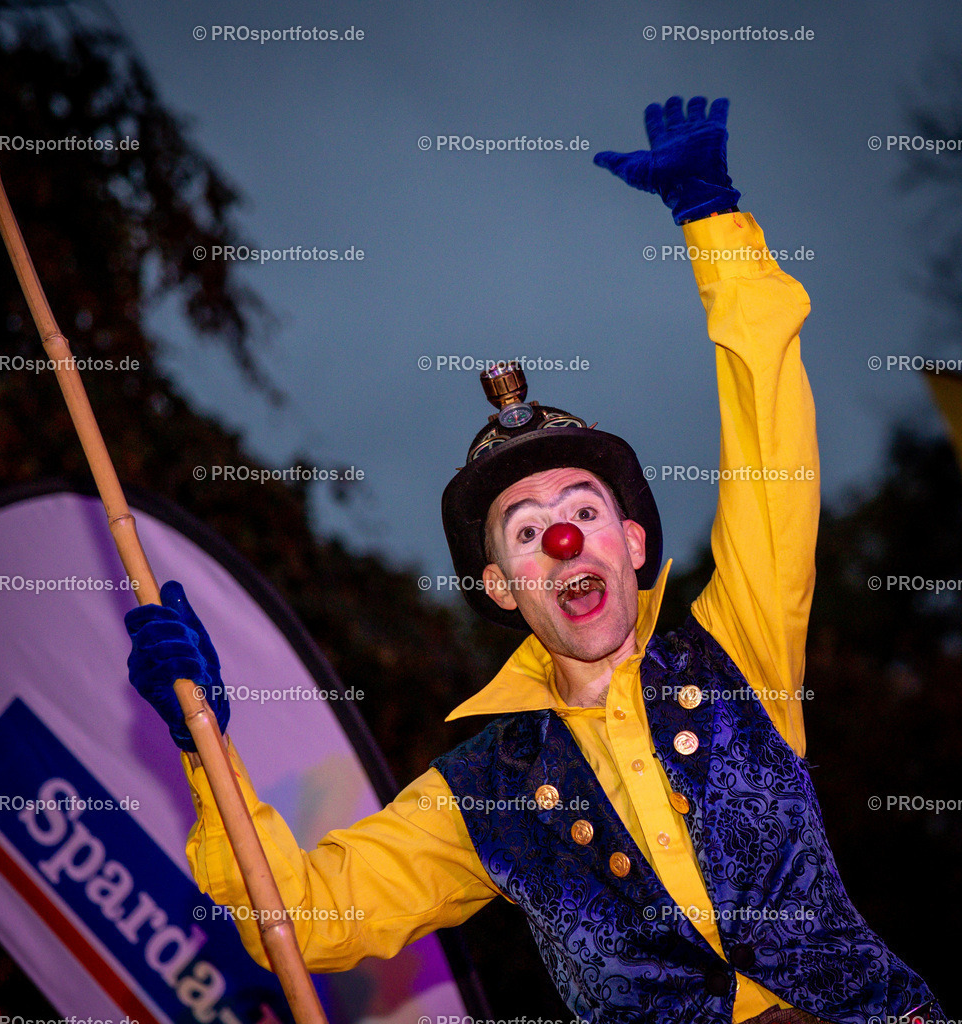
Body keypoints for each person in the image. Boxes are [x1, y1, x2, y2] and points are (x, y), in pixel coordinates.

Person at [125, 97, 942, 1023]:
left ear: (633, 546)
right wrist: (206, 748)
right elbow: (307, 919)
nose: (562, 539)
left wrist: (713, 222)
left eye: (584, 510)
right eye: (525, 530)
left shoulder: (740, 650)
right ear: (502, 588)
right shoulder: (487, 787)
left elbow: (771, 452)